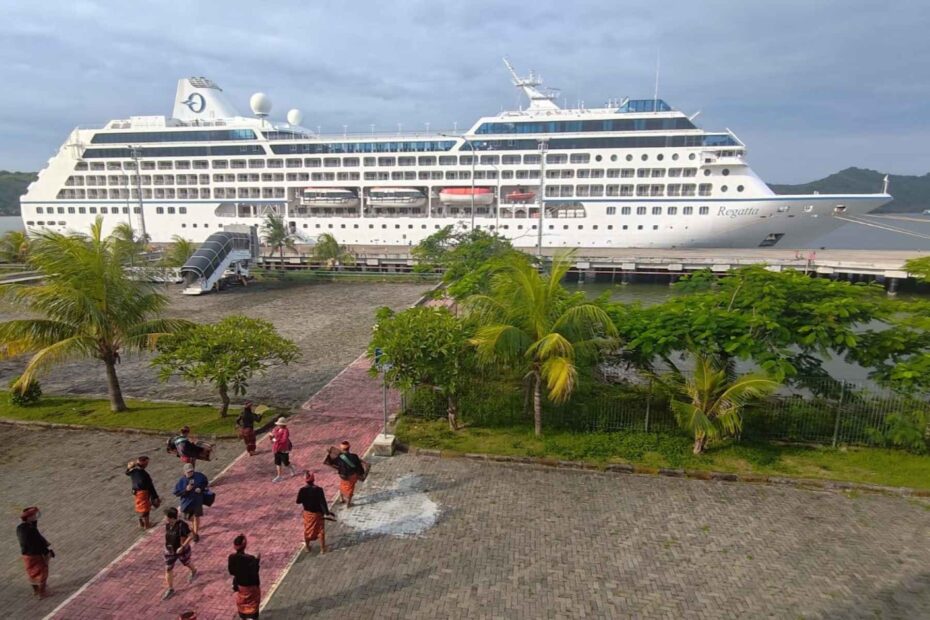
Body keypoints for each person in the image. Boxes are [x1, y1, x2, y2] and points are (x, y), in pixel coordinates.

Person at [16, 506, 54, 597]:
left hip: (26, 555)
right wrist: (46, 552)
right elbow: (38, 542)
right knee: (43, 572)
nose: (35, 517)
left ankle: (36, 591)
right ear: (28, 517)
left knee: (31, 573)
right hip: (35, 554)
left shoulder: (20, 528)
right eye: (33, 516)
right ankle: (42, 593)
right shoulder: (31, 529)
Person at [162, 507, 197, 600]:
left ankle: (193, 570)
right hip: (170, 551)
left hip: (181, 550)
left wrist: (183, 546)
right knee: (168, 568)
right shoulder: (168, 525)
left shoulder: (182, 525)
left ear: (172, 518)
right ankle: (170, 588)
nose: (165, 518)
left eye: (166, 517)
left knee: (186, 562)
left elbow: (191, 535)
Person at [296, 471, 333, 554]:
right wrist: (327, 512)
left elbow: (298, 501)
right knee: (320, 530)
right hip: (318, 514)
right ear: (313, 480)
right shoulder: (319, 490)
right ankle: (323, 549)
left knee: (307, 530)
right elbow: (323, 502)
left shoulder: (302, 490)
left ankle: (307, 547)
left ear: (305, 480)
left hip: (307, 514)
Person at [227, 534, 261, 619]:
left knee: (242, 604)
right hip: (251, 587)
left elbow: (231, 572)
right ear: (244, 545)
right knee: (253, 605)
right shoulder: (250, 559)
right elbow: (254, 572)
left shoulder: (231, 557)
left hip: (240, 586)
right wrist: (257, 561)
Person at [173, 463, 209, 541]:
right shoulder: (181, 481)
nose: (190, 473)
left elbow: (205, 482)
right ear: (184, 472)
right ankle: (194, 525)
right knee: (186, 516)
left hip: (197, 501)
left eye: (191, 471)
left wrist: (201, 488)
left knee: (196, 516)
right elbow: (176, 492)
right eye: (188, 472)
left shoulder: (199, 476)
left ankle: (195, 534)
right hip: (186, 503)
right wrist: (186, 490)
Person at [326, 441, 364, 508]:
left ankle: (342, 499)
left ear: (342, 449)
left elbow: (332, 462)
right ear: (349, 448)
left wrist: (329, 454)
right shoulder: (354, 456)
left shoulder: (339, 457)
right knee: (350, 488)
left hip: (342, 476)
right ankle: (348, 504)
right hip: (351, 476)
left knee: (342, 485)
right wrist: (361, 473)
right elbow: (359, 466)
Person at [126, 456, 160, 529]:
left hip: (135, 491)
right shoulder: (144, 474)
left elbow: (127, 472)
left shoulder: (133, 470)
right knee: (145, 509)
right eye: (146, 463)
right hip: (142, 492)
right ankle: (146, 525)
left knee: (140, 507)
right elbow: (150, 486)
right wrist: (155, 496)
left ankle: (141, 522)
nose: (147, 464)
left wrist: (129, 467)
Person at [269, 417, 296, 482]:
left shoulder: (285, 431)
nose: (278, 425)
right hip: (276, 448)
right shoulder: (276, 429)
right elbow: (272, 436)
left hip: (284, 449)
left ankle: (291, 468)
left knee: (285, 462)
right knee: (277, 462)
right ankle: (279, 476)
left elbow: (284, 440)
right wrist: (271, 436)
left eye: (279, 424)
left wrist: (275, 440)